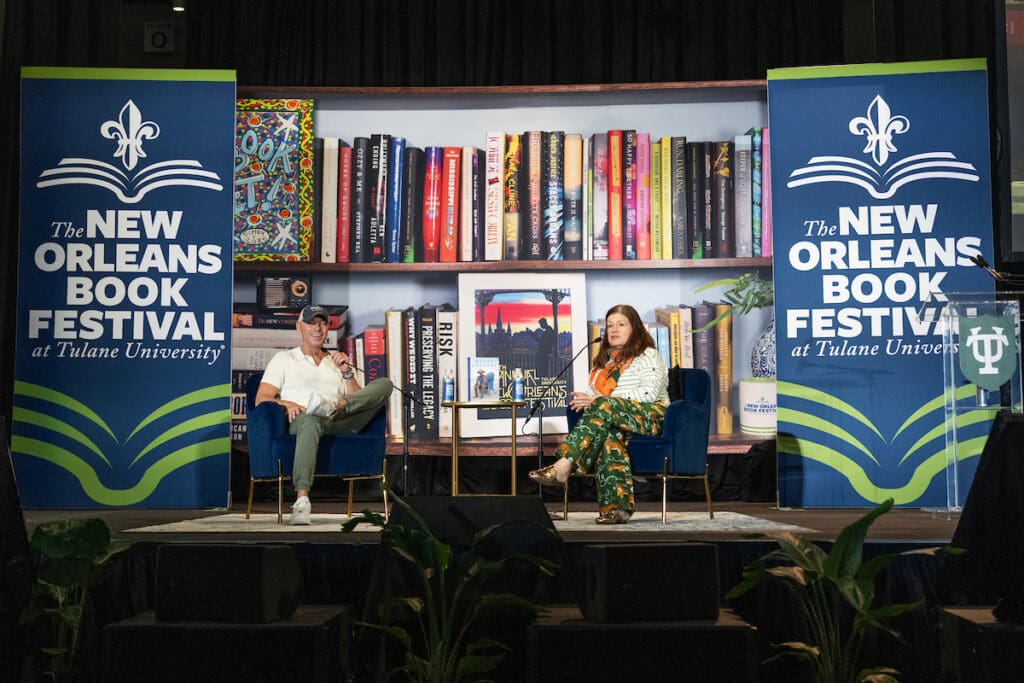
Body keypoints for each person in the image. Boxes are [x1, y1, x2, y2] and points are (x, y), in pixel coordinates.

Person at [528, 304, 669, 524]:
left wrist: (600, 401)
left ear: (635, 328)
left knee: (603, 406)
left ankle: (564, 464)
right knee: (607, 438)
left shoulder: (648, 355)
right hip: (613, 418)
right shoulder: (604, 363)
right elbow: (595, 396)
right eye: (610, 326)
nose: (614, 330)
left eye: (621, 324)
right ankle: (615, 511)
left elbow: (649, 393)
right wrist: (587, 400)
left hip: (651, 417)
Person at [254, 305, 393, 525]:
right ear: (299, 327)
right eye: (311, 323)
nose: (317, 328)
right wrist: (287, 403)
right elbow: (262, 398)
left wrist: (347, 372)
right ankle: (302, 502)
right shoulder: (284, 359)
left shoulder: (336, 361)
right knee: (310, 420)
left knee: (385, 384)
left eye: (323, 323)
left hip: (339, 417)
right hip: (303, 418)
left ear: (328, 329)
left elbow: (359, 400)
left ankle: (331, 405)